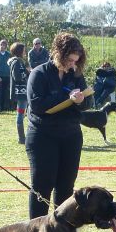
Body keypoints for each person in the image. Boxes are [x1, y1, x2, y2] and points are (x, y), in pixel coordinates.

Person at [25, 32, 87, 219]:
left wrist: (81, 101)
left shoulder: (76, 75)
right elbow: (37, 105)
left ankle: (63, 229)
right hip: (43, 136)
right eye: (70, 60)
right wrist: (66, 98)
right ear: (59, 53)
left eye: (76, 61)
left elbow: (87, 103)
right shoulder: (39, 74)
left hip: (71, 135)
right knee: (42, 186)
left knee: (66, 186)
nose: (72, 64)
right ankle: (36, 231)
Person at [8, 41, 29, 144]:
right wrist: (27, 72)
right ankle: (21, 138)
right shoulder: (16, 62)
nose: (25, 52)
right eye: (24, 50)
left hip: (24, 92)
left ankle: (25, 137)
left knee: (24, 113)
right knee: (20, 115)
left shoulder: (19, 62)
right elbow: (17, 77)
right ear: (20, 51)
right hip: (21, 93)